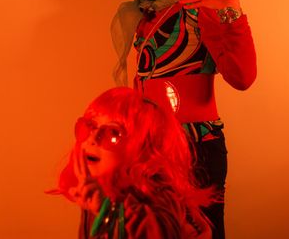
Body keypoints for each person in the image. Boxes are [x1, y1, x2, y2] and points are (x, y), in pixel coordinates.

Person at [110, 0, 257, 238]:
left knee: (200, 230)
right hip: (147, 143)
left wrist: (232, 13)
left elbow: (243, 78)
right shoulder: (142, 11)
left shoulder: (205, 9)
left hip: (197, 143)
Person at [49, 87, 213, 238]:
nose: (93, 138)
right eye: (90, 127)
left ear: (143, 152)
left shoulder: (160, 198)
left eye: (113, 134)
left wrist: (109, 210)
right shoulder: (98, 193)